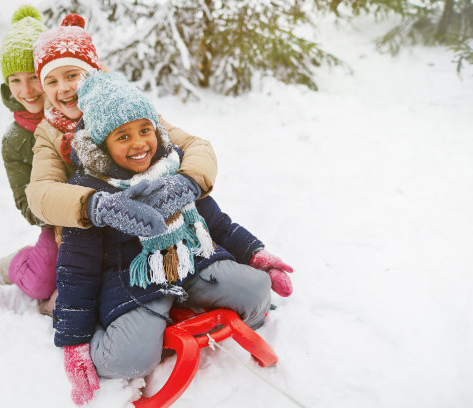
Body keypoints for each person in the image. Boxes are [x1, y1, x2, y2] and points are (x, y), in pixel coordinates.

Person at [52, 71, 295, 406]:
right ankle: (110, 332)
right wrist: (74, 341)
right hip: (131, 281)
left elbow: (216, 222)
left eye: (144, 130)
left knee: (255, 291)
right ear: (102, 145)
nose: (139, 143)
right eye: (122, 137)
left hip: (190, 258)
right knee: (128, 361)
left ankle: (191, 300)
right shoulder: (90, 193)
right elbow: (76, 269)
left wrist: (254, 252)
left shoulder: (171, 167)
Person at [25, 13, 218, 235]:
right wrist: (96, 206)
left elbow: (196, 146)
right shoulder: (49, 131)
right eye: (52, 81)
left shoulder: (124, 107)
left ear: (92, 73)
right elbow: (40, 192)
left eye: (71, 75)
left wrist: (188, 182)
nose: (64, 88)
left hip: (156, 225)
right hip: (91, 241)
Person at [0, 6, 57, 314]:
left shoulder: (73, 110)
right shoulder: (15, 142)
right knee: (40, 282)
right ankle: (17, 264)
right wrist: (63, 216)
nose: (27, 90)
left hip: (102, 215)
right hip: (59, 220)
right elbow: (26, 202)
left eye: (33, 77)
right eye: (15, 80)